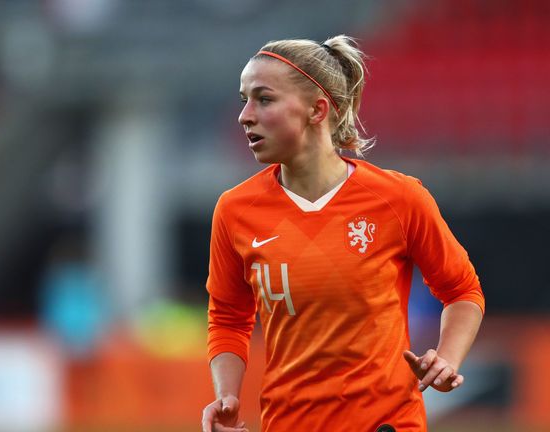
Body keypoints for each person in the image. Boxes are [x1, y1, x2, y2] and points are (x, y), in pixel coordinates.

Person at [200, 35, 484, 432]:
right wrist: (227, 395)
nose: (245, 115)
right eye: (244, 99)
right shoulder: (235, 210)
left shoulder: (398, 198)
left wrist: (447, 359)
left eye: (263, 99)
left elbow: (462, 290)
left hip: (387, 424)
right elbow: (229, 318)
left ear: (317, 110)